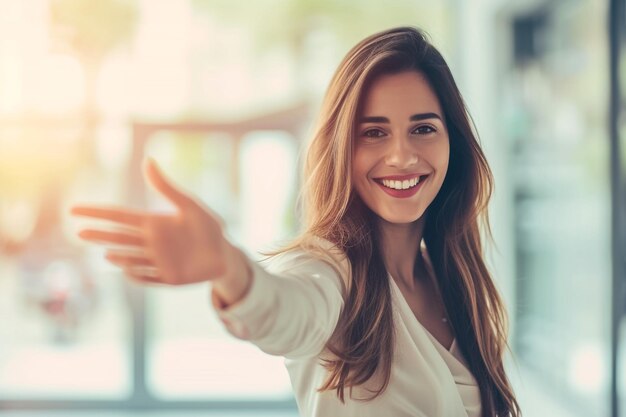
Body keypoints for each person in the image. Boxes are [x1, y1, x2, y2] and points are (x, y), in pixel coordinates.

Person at [71, 26, 521, 417]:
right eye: (374, 133)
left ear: (452, 144)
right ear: (341, 148)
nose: (402, 156)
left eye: (423, 128)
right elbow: (285, 310)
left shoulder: (455, 280)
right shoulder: (328, 270)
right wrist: (229, 267)